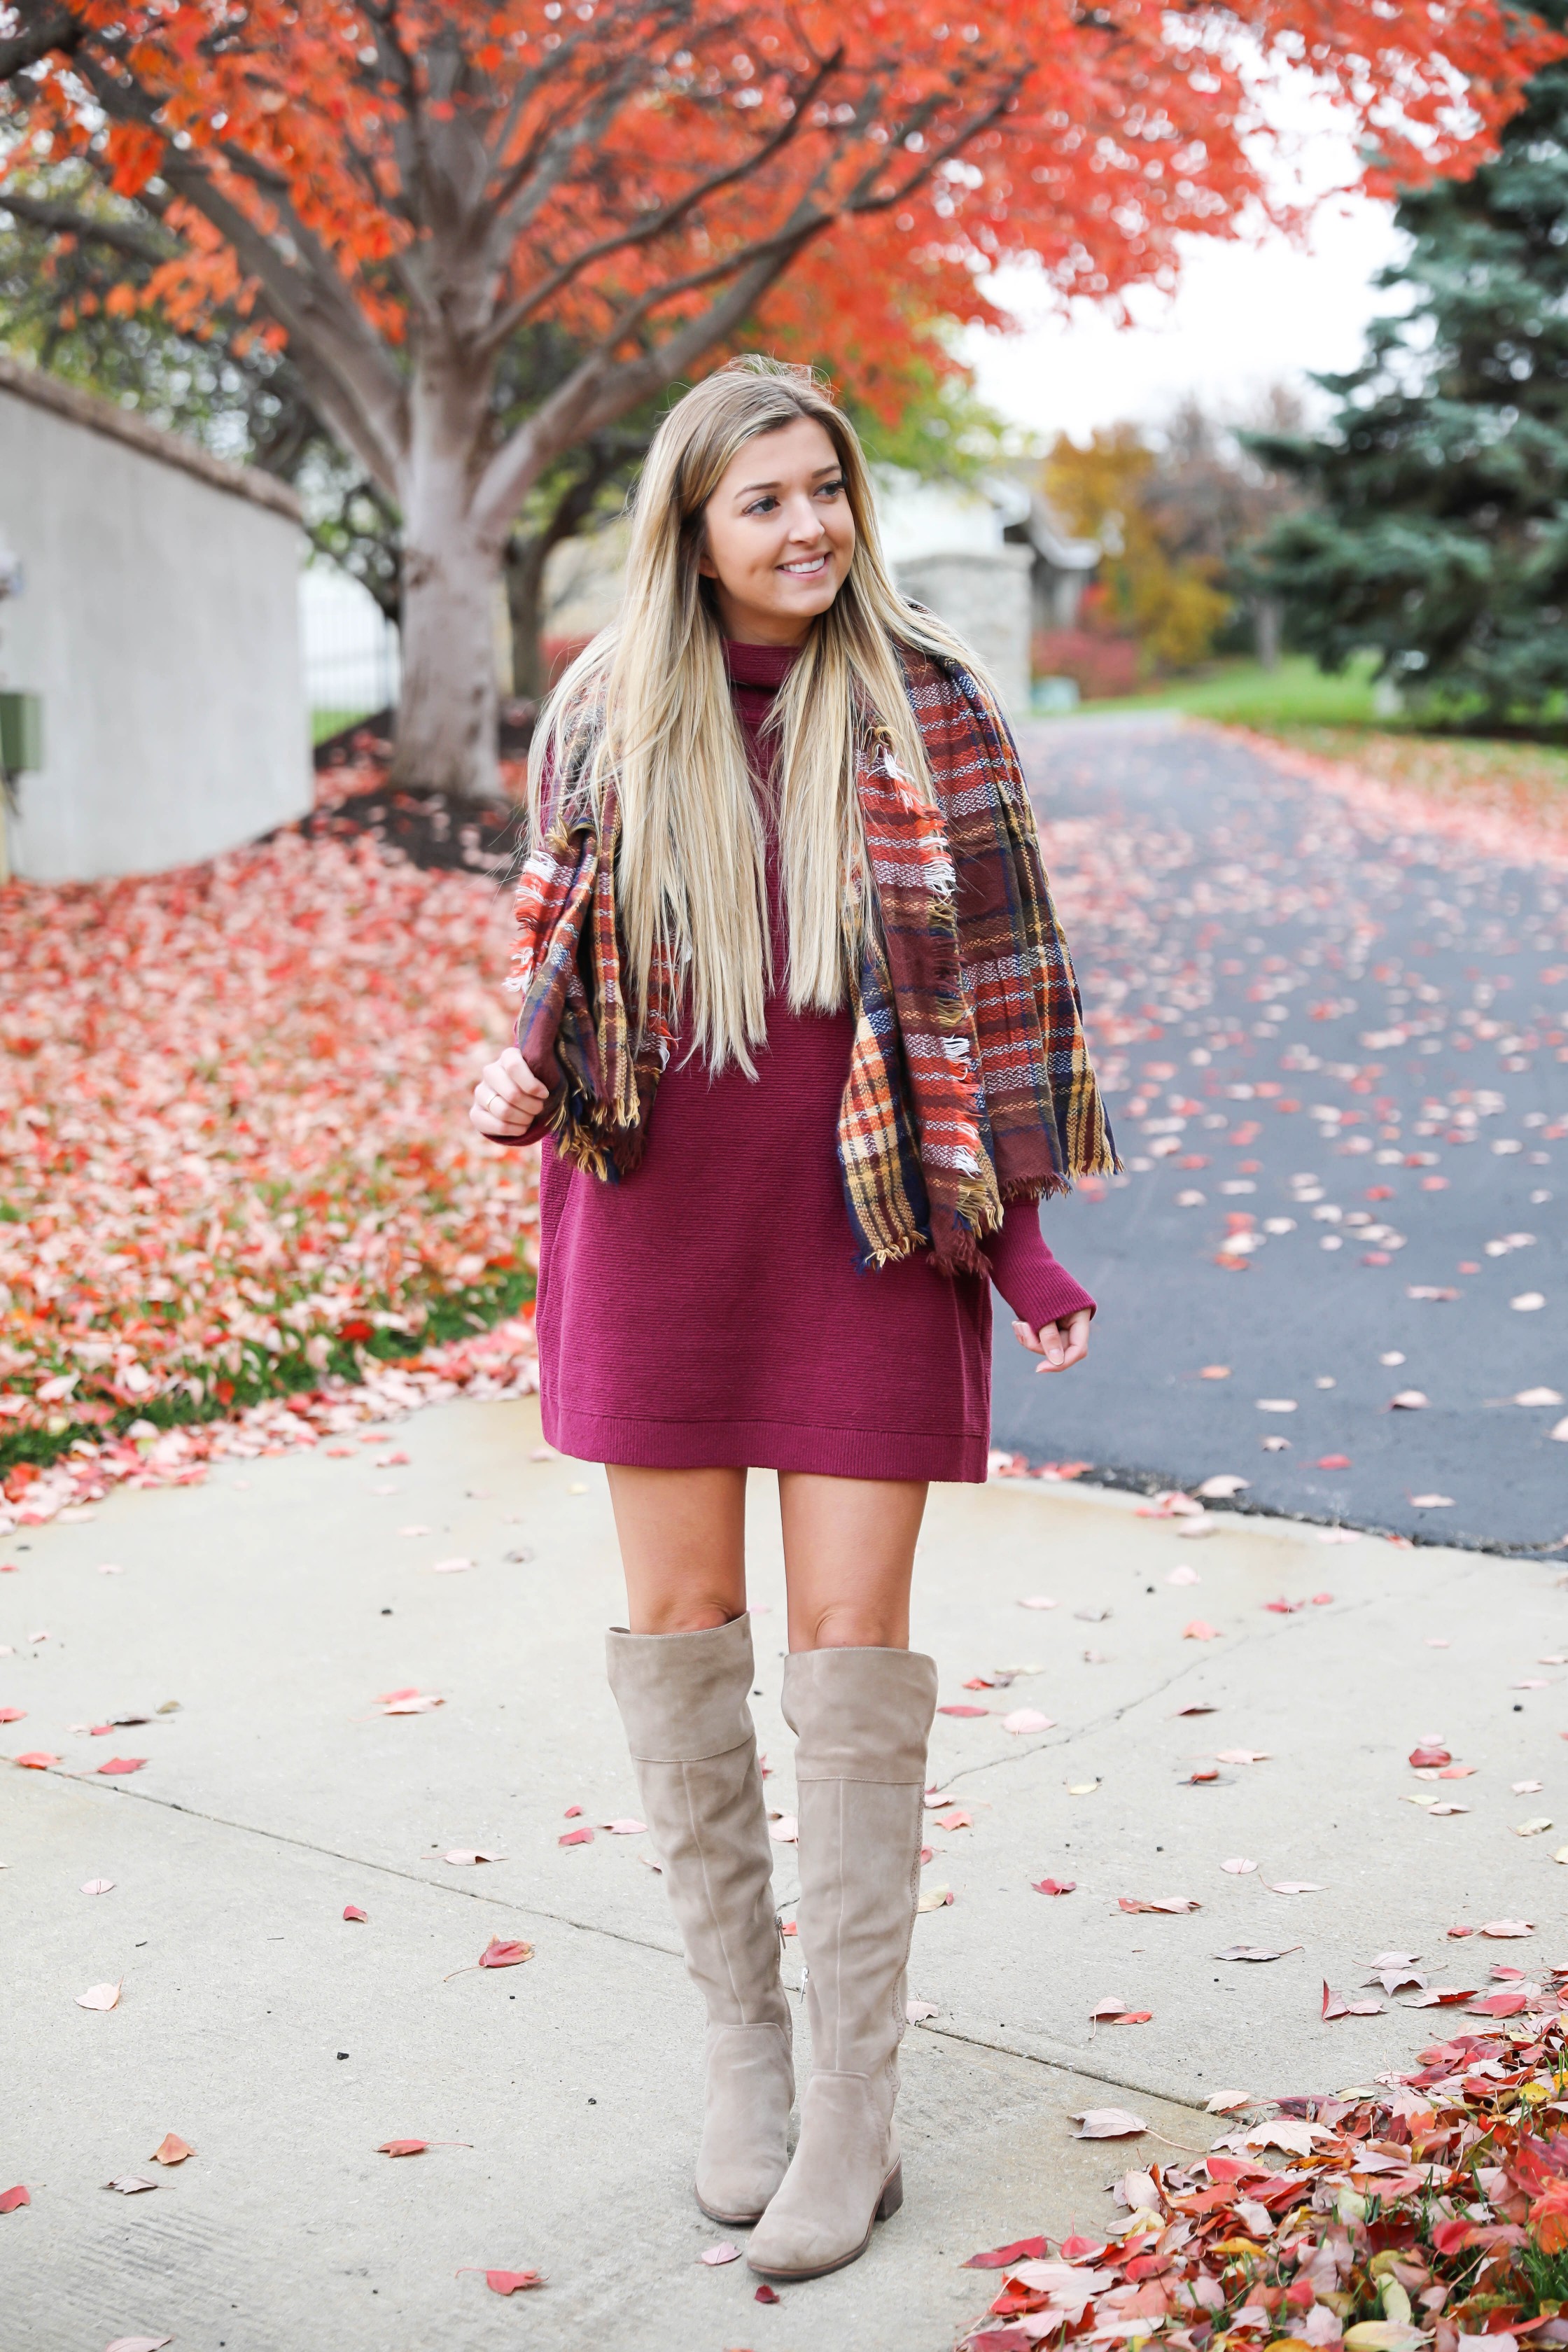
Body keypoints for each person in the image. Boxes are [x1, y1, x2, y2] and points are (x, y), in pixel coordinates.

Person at [469, 356, 1114, 2284]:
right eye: (767, 501)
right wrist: (511, 1076)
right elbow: (561, 952)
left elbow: (1001, 997)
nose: (812, 526)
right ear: (694, 528)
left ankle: (851, 2111)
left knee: (849, 1651)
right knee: (678, 1629)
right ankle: (745, 2058)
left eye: (826, 490)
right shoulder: (600, 713)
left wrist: (1025, 1252)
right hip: (655, 1219)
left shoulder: (932, 709)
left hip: (870, 1230)